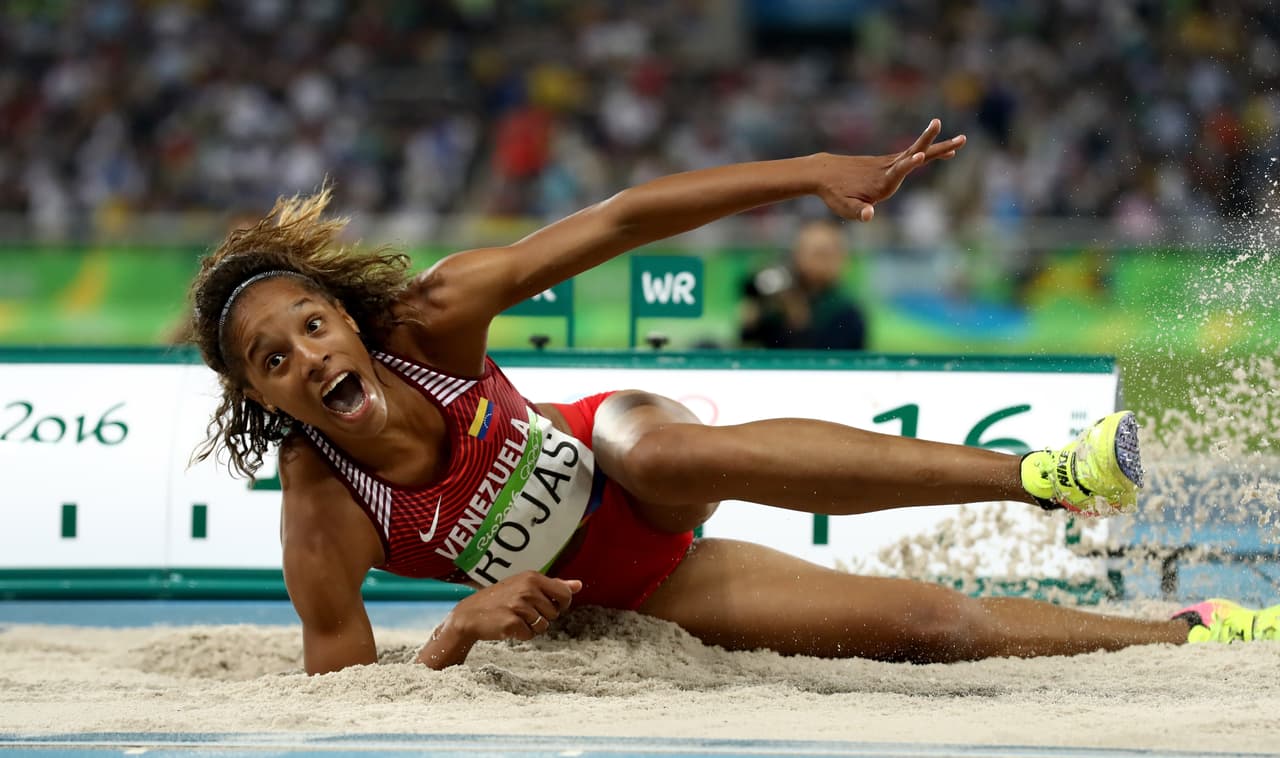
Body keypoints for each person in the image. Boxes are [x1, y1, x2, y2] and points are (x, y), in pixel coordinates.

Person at [188, 120, 1277, 676]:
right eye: (272, 359)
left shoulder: (430, 320)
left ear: (346, 318)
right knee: (926, 627)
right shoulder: (322, 510)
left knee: (663, 456)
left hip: (623, 452)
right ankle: (1179, 632)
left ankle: (1046, 475)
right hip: (632, 587)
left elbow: (621, 219)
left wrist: (811, 170)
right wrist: (458, 633)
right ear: (262, 396)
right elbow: (341, 701)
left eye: (312, 324)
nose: (306, 356)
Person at [740, 218, 867, 350]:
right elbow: (748, 340)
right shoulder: (778, 297)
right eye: (813, 253)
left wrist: (799, 323)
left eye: (825, 254)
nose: (821, 262)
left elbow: (826, 354)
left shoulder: (845, 310)